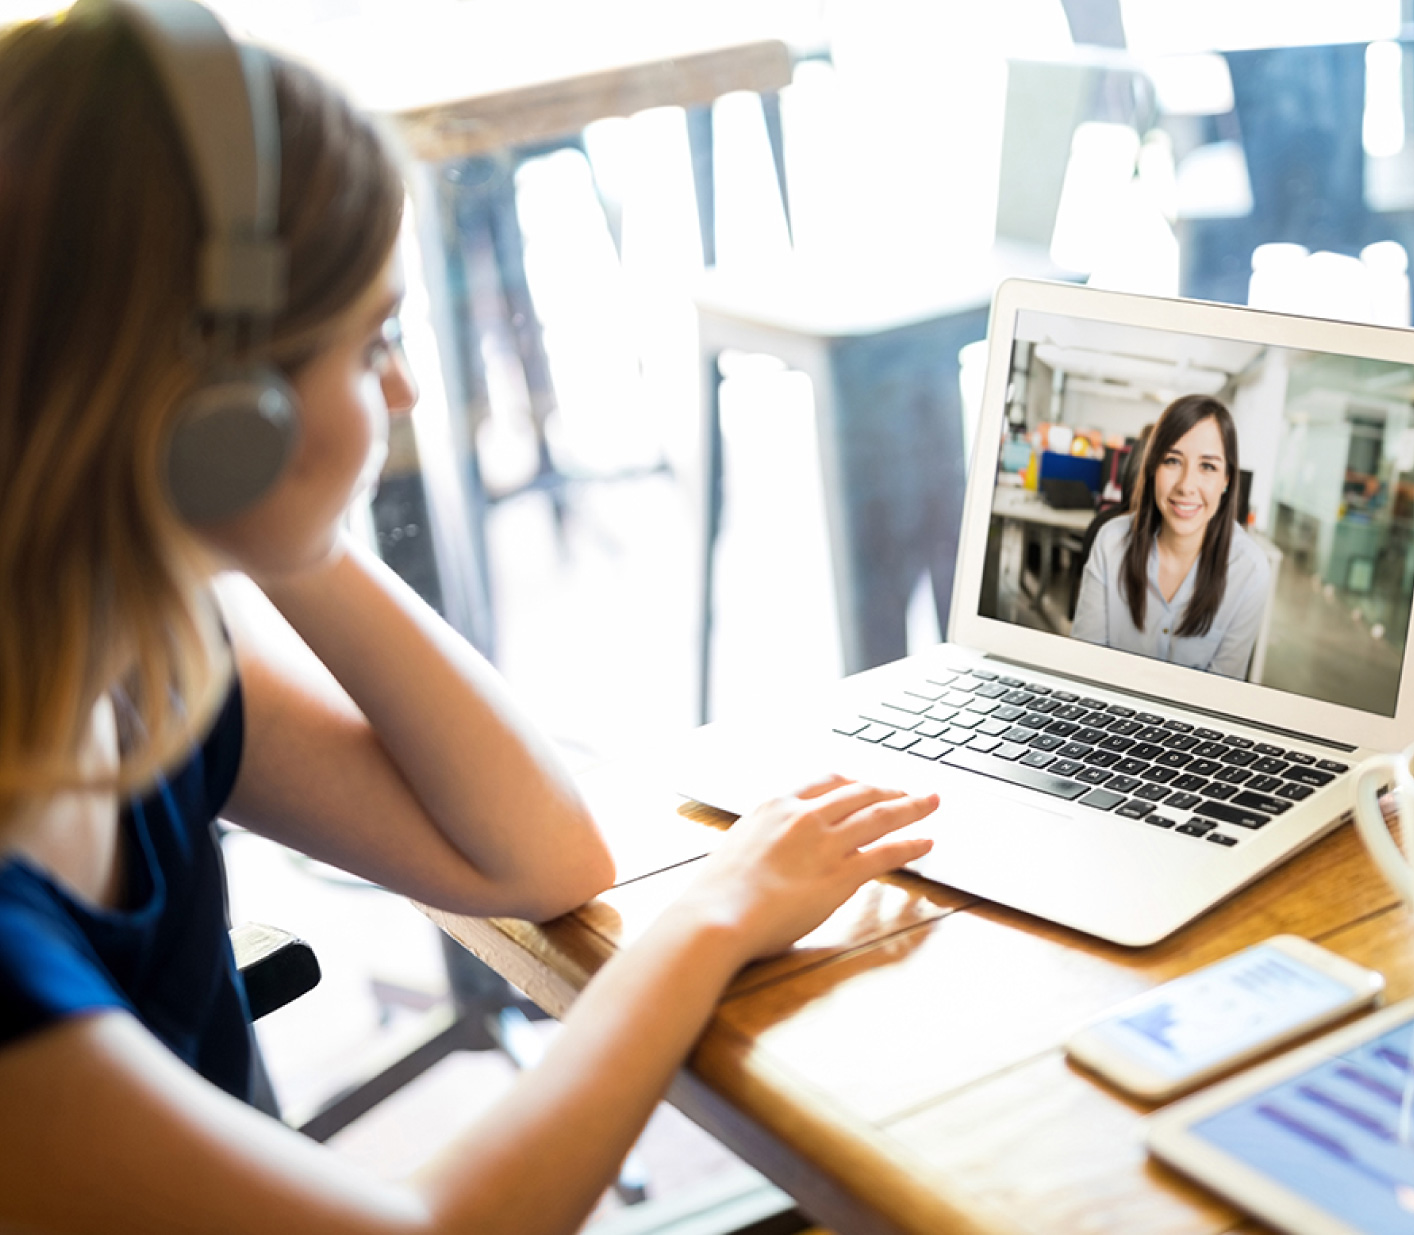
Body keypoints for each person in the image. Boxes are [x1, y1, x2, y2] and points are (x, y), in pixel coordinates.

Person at [0, 5, 938, 1232]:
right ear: (217, 408)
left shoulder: (140, 668)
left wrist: (281, 514)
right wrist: (716, 912)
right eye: (369, 340)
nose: (403, 388)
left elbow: (534, 853)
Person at [1070, 395, 1272, 679]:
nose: (1187, 485)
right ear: (1153, 467)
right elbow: (1083, 665)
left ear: (1227, 479)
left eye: (1208, 466)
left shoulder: (1249, 571)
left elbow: (1221, 696)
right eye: (1173, 461)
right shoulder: (1111, 543)